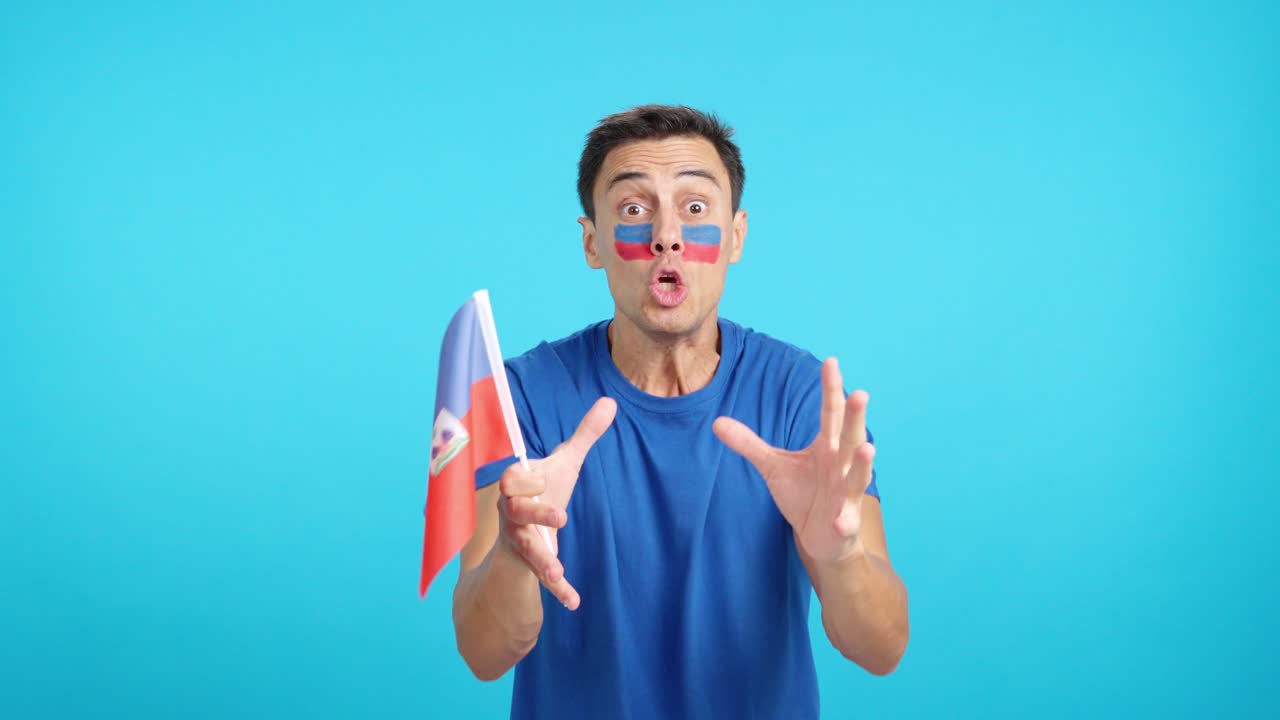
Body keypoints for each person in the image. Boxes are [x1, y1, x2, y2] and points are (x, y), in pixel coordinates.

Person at [451, 105, 909, 719]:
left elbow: (882, 649)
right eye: (634, 210)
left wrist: (840, 557)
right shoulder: (518, 397)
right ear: (593, 242)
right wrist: (513, 552)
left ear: (736, 236)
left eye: (695, 209)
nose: (666, 234)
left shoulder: (800, 397)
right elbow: (483, 654)